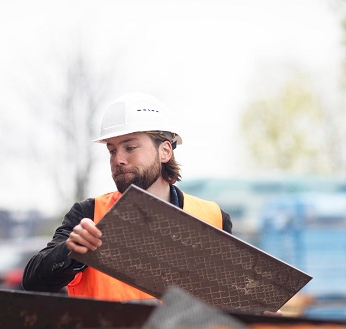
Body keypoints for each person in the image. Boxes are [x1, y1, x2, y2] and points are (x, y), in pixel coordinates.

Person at [22, 92, 232, 301]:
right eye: (112, 151)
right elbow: (33, 281)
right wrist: (71, 251)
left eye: (130, 148)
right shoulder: (89, 215)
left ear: (165, 151)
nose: (118, 159)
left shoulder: (213, 218)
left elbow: (234, 298)